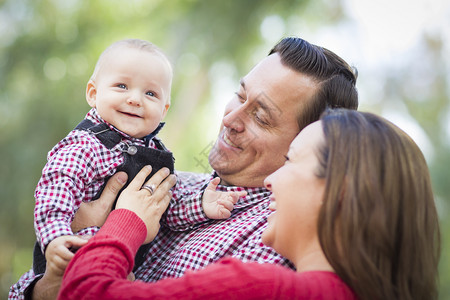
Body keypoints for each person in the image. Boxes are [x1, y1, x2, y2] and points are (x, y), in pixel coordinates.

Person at [9, 36, 359, 299]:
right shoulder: (179, 184)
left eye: (261, 117)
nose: (231, 118)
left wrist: (119, 224)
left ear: (310, 140)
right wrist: (47, 279)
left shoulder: (274, 240)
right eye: (240, 95)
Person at [57, 109, 441, 299]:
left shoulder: (261, 287)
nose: (272, 180)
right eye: (240, 95)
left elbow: (86, 292)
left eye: (291, 161)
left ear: (339, 192)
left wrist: (125, 220)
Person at [10, 39, 244, 299]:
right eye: (122, 86)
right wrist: (56, 238)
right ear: (93, 93)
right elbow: (55, 192)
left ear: (164, 109)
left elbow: (165, 208)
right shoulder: (85, 145)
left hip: (117, 274)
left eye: (151, 94)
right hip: (70, 259)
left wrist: (201, 205)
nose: (135, 99)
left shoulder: (158, 155)